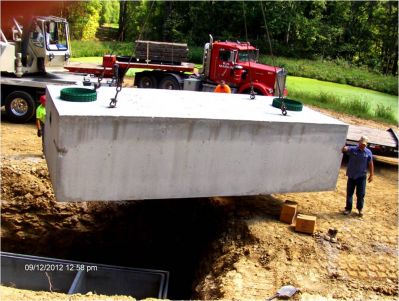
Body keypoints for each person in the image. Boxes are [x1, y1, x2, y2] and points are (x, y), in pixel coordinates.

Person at [341, 136, 374, 217]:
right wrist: (344, 147)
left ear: (366, 145)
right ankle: (348, 209)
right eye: (361, 144)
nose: (363, 146)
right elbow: (345, 149)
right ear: (359, 142)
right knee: (349, 193)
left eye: (364, 145)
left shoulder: (368, 152)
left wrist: (371, 175)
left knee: (361, 194)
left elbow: (370, 163)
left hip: (361, 177)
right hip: (352, 176)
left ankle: (360, 209)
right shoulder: (353, 149)